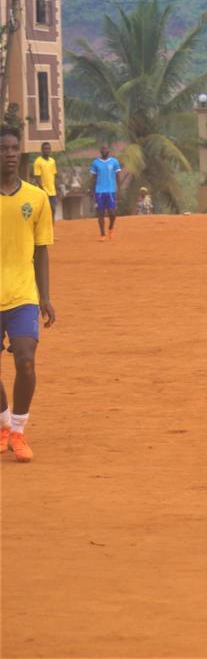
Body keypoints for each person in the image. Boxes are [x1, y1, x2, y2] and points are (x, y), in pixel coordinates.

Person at [0, 126, 56, 462]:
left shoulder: (35, 199)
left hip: (23, 294)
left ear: (20, 152)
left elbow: (42, 251)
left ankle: (18, 430)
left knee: (25, 360)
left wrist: (45, 296)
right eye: (2, 147)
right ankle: (3, 424)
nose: (8, 153)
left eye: (12, 148)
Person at [89, 144, 125, 241]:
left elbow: (118, 176)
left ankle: (111, 228)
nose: (104, 150)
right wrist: (91, 190)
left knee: (112, 213)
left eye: (106, 148)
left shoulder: (114, 162)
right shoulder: (96, 163)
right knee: (100, 213)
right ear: (100, 150)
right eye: (102, 148)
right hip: (99, 191)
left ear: (109, 150)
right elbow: (93, 178)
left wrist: (119, 189)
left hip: (111, 191)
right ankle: (102, 234)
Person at [32, 142, 58, 219]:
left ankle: (51, 229)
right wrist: (43, 190)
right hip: (43, 192)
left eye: (48, 149)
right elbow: (37, 177)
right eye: (45, 149)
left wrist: (57, 189)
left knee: (53, 210)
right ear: (42, 150)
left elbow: (54, 175)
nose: (47, 150)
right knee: (43, 212)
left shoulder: (52, 161)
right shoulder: (38, 161)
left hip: (52, 192)